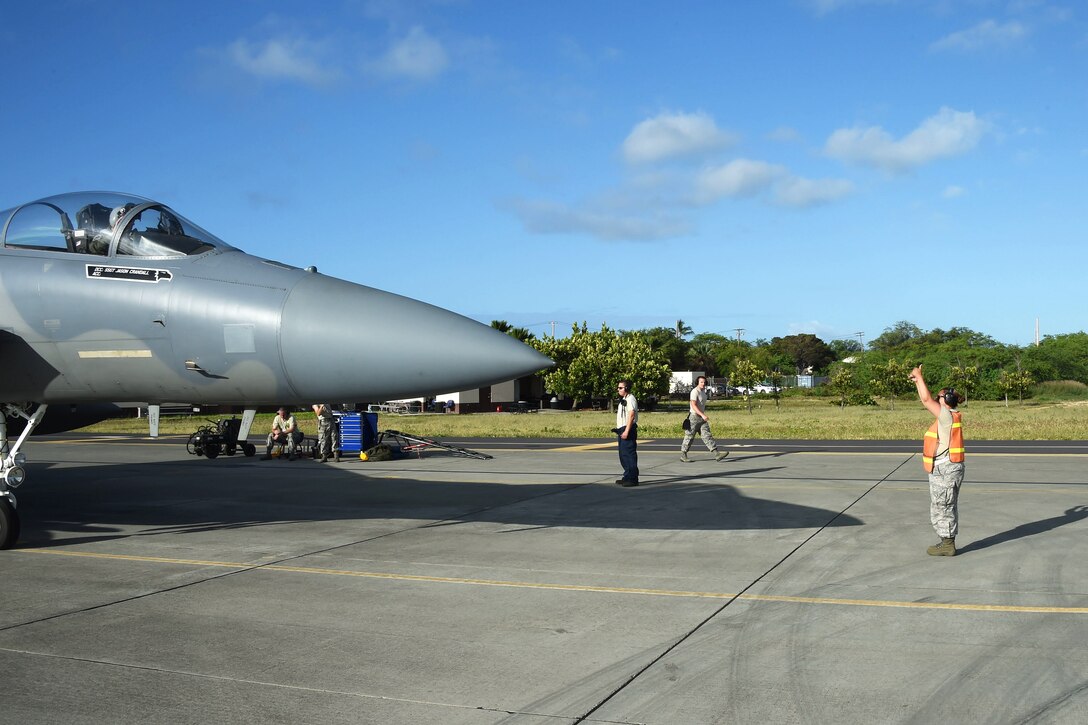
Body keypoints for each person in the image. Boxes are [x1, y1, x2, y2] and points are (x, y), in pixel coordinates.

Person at [909, 365, 965, 556]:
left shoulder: (946, 416)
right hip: (946, 468)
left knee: (944, 505)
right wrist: (918, 381)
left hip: (945, 470)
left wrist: (919, 375)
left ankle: (948, 544)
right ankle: (946, 540)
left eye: (939, 397)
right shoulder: (947, 416)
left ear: (946, 401)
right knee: (943, 504)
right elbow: (925, 398)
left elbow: (925, 400)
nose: (936, 399)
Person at [680, 376, 729, 463]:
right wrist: (702, 415)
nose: (703, 384)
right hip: (694, 417)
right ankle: (683, 454)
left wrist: (702, 415)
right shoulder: (694, 392)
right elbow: (693, 405)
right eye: (701, 382)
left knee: (707, 435)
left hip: (701, 418)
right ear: (697, 383)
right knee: (689, 436)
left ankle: (717, 454)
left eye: (704, 382)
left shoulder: (703, 392)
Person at [614, 380, 639, 487]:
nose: (618, 390)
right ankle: (627, 476)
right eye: (618, 388)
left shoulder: (630, 399)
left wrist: (626, 431)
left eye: (621, 388)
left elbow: (632, 414)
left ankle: (633, 478)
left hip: (627, 429)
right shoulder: (624, 399)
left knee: (629, 454)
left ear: (627, 388)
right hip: (622, 429)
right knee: (623, 455)